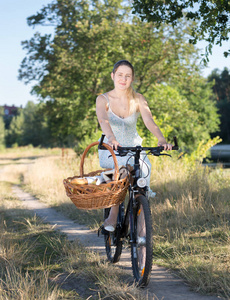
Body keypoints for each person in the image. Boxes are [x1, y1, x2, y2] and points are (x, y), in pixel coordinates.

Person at [96, 60, 172, 232]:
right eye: (120, 75)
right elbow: (103, 120)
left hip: (134, 147)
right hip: (112, 148)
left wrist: (161, 138)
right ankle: (113, 215)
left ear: (132, 79)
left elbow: (149, 121)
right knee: (121, 172)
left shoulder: (138, 99)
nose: (123, 79)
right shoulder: (103, 99)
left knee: (140, 179)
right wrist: (112, 138)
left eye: (127, 76)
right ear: (113, 76)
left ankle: (139, 223)